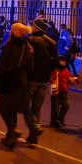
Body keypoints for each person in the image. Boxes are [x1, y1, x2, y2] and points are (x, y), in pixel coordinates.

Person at [0, 22, 33, 147]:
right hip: (21, 81)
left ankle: (12, 130)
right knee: (12, 108)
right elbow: (30, 67)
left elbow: (1, 64)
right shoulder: (28, 47)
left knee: (2, 107)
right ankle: (10, 137)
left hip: (9, 81)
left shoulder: (10, 46)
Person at [23, 17, 59, 145]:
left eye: (33, 25)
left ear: (36, 27)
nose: (31, 27)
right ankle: (33, 137)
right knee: (37, 108)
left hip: (31, 78)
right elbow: (56, 63)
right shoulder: (51, 42)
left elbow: (25, 59)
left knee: (24, 105)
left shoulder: (29, 40)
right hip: (44, 80)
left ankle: (34, 127)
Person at [50, 56, 75, 129]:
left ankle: (60, 119)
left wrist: (79, 79)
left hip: (64, 91)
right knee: (55, 107)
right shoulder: (55, 71)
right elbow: (52, 80)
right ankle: (54, 121)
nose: (63, 63)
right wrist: (54, 91)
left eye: (64, 62)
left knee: (66, 105)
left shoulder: (66, 71)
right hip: (56, 91)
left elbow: (72, 78)